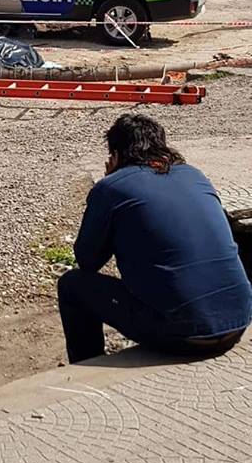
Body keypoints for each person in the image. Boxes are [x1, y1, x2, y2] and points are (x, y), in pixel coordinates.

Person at [58, 114, 252, 363]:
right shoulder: (194, 175)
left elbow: (87, 260)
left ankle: (87, 363)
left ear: (115, 155)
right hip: (238, 320)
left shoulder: (111, 188)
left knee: (72, 285)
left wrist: (106, 190)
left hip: (182, 333)